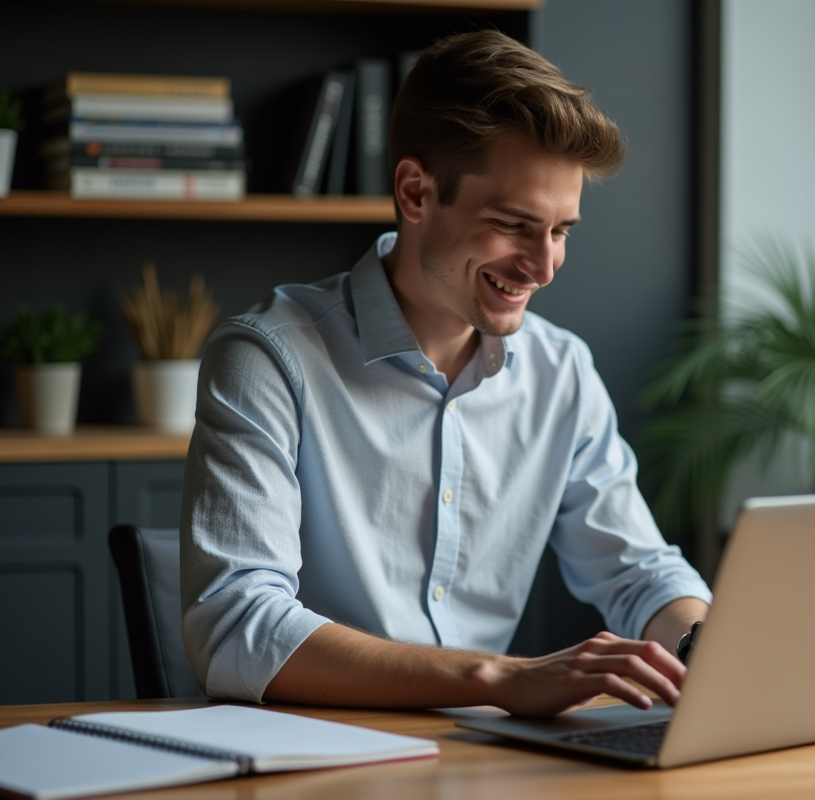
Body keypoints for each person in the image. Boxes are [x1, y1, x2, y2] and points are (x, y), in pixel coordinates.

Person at [180, 30, 711, 717]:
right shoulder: (268, 358)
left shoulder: (560, 371)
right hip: (314, 765)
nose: (544, 266)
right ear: (415, 192)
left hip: (479, 765)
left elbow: (639, 571)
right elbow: (235, 629)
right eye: (514, 224)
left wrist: (705, 651)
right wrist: (499, 679)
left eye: (561, 231)